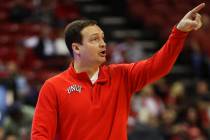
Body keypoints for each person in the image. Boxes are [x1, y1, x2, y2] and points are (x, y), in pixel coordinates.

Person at [31, 3, 205, 140]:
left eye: (103, 38)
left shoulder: (121, 76)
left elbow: (159, 65)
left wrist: (179, 32)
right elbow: (40, 135)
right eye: (94, 39)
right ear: (76, 48)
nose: (103, 43)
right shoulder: (54, 87)